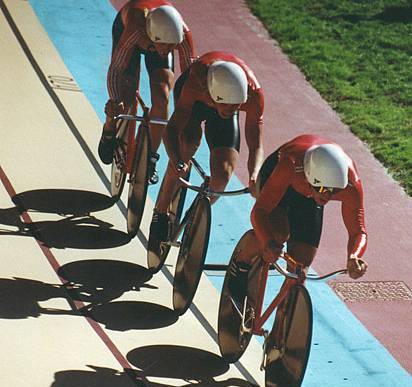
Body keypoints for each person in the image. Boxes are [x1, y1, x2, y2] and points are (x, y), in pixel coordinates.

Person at [228, 134, 368, 307]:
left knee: (299, 269)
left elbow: (358, 231)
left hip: (309, 196)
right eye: (324, 189)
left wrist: (354, 255)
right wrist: (267, 241)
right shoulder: (291, 165)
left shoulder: (350, 185)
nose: (327, 196)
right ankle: (240, 264)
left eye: (334, 191)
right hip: (280, 178)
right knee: (278, 233)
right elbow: (260, 211)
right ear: (310, 176)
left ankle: (282, 325)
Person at [148, 50, 264, 241]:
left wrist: (254, 174)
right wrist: (177, 160)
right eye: (227, 105)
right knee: (187, 142)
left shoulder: (253, 94)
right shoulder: (197, 83)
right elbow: (172, 129)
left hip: (223, 98)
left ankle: (196, 218)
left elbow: (256, 144)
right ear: (211, 95)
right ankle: (160, 210)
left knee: (223, 174)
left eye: (236, 106)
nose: (231, 109)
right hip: (194, 103)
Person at [98, 0, 195, 185]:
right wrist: (115, 100)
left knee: (163, 96)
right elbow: (116, 69)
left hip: (154, 39)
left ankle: (150, 157)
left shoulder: (182, 35)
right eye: (164, 45)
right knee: (124, 98)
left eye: (171, 46)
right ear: (152, 35)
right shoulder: (136, 28)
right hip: (129, 32)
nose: (167, 51)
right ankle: (110, 125)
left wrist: (184, 114)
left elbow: (189, 79)